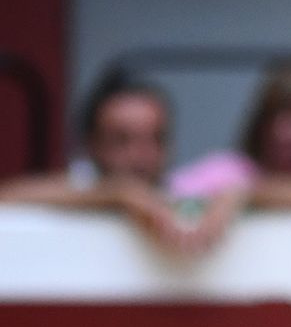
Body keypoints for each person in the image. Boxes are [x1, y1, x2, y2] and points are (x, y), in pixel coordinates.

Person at [0, 68, 236, 254]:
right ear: (91, 144)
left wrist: (238, 196)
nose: (141, 155)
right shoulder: (79, 186)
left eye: (156, 138)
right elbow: (6, 196)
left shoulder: (184, 189)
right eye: (122, 140)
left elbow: (267, 186)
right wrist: (114, 194)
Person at [168, 57, 291, 210]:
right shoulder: (226, 172)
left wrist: (245, 196)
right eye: (280, 115)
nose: (288, 134)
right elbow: (167, 200)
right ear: (261, 122)